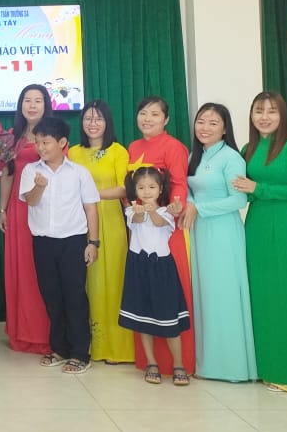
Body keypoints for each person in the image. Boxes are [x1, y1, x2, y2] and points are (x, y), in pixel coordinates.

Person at [231, 91, 287, 393]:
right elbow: (246, 191)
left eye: (271, 111)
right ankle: (266, 367)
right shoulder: (247, 148)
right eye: (258, 111)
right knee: (262, 296)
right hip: (256, 225)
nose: (264, 117)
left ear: (283, 115)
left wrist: (260, 188)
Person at [20, 117, 99, 375]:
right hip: (43, 242)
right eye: (38, 142)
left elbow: (91, 208)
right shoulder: (31, 171)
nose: (41, 147)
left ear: (62, 143)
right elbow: (30, 202)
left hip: (73, 241)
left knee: (75, 296)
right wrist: (39, 188)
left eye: (46, 142)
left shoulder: (79, 172)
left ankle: (80, 353)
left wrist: (93, 242)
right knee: (52, 296)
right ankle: (59, 348)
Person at [187, 103, 257, 382]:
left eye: (213, 123)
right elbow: (189, 190)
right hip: (198, 230)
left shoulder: (231, 158)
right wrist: (191, 205)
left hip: (223, 231)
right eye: (201, 121)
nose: (205, 127)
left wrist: (200, 209)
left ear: (225, 128)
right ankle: (207, 362)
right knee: (204, 294)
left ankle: (231, 366)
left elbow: (239, 199)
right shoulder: (195, 155)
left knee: (223, 294)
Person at [126, 96, 195, 376]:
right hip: (139, 227)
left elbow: (179, 183)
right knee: (142, 296)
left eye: (155, 114)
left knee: (169, 296)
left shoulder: (174, 147)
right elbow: (131, 187)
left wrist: (173, 208)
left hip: (167, 227)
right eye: (143, 113)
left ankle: (179, 363)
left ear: (166, 120)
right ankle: (149, 362)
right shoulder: (133, 147)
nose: (148, 119)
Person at [67, 99, 135, 363]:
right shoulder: (72, 152)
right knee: (88, 283)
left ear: (108, 123)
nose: (92, 124)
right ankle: (92, 344)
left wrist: (90, 195)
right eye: (87, 118)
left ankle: (118, 348)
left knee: (114, 279)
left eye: (98, 119)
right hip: (78, 223)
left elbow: (124, 188)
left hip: (111, 221)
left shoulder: (119, 151)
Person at [120, 167, 191, 386]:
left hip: (162, 268)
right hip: (138, 266)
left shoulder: (167, 212)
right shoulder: (132, 211)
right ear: (135, 190)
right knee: (141, 319)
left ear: (160, 189)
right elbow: (138, 220)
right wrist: (142, 210)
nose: (147, 191)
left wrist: (153, 211)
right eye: (141, 187)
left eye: (152, 187)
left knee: (169, 318)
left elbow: (160, 223)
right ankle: (151, 363)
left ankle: (178, 364)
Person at [0, 84, 53, 355]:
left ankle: (45, 333)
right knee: (21, 271)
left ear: (46, 105)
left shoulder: (54, 135)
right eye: (27, 100)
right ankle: (23, 332)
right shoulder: (11, 137)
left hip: (45, 209)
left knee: (41, 271)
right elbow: (7, 174)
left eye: (38, 101)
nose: (32, 105)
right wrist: (3, 209)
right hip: (19, 211)